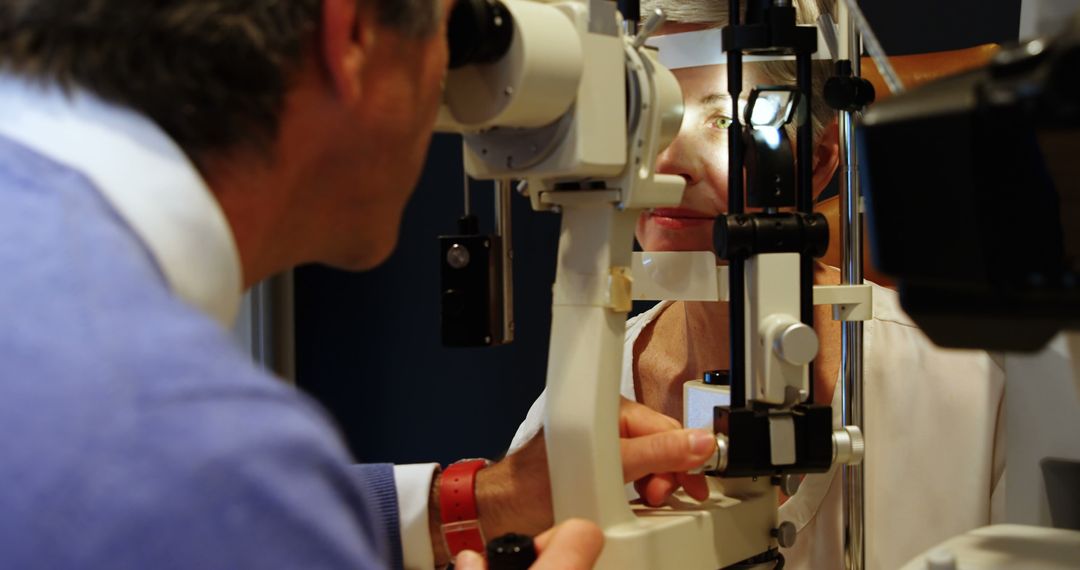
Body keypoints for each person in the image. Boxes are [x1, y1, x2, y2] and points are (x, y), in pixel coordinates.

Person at [0, 1, 720, 569]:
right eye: (453, 32)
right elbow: (206, 500)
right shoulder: (199, 457)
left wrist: (469, 502)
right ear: (351, 34)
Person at [509, 1, 1006, 568]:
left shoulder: (970, 392)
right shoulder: (577, 405)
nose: (668, 165)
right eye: (649, 118)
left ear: (818, 161)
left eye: (724, 122)